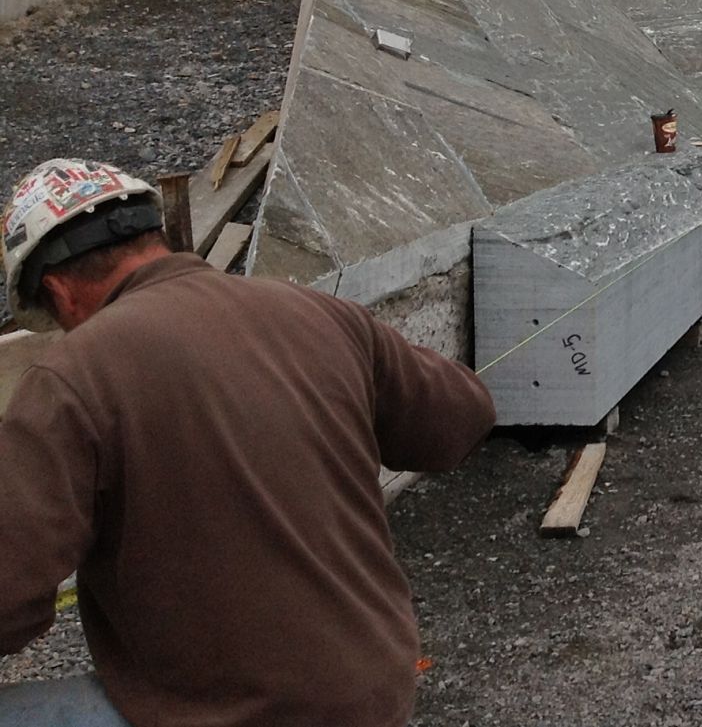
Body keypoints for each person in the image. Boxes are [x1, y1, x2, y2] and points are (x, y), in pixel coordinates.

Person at [0, 159, 498, 726]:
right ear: (151, 235)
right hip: (373, 698)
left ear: (59, 292)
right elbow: (461, 419)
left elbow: (8, 594)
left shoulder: (71, 377)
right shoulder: (319, 313)